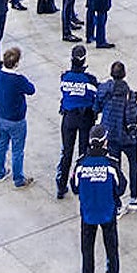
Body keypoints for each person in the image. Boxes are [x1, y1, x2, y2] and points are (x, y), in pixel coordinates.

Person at [70, 124, 126, 273]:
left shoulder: (80, 164)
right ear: (105, 142)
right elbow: (121, 187)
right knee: (111, 253)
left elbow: (75, 188)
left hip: (87, 215)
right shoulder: (111, 165)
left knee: (87, 253)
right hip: (107, 214)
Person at [96, 60, 137, 213]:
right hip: (126, 138)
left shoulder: (104, 90)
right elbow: (132, 116)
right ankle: (134, 196)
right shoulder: (129, 95)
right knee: (134, 165)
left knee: (115, 167)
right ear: (124, 75)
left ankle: (116, 200)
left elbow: (96, 107)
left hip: (110, 136)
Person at [56, 44, 98, 199]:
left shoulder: (65, 77)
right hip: (85, 118)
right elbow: (96, 97)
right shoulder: (90, 80)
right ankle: (81, 184)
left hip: (68, 117)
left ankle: (61, 185)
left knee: (66, 152)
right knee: (83, 153)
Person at [0, 46, 36, 187]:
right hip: (17, 119)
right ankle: (18, 178)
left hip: (2, 116)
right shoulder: (18, 79)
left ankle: (0, 171)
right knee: (17, 150)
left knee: (2, 143)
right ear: (16, 63)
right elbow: (31, 90)